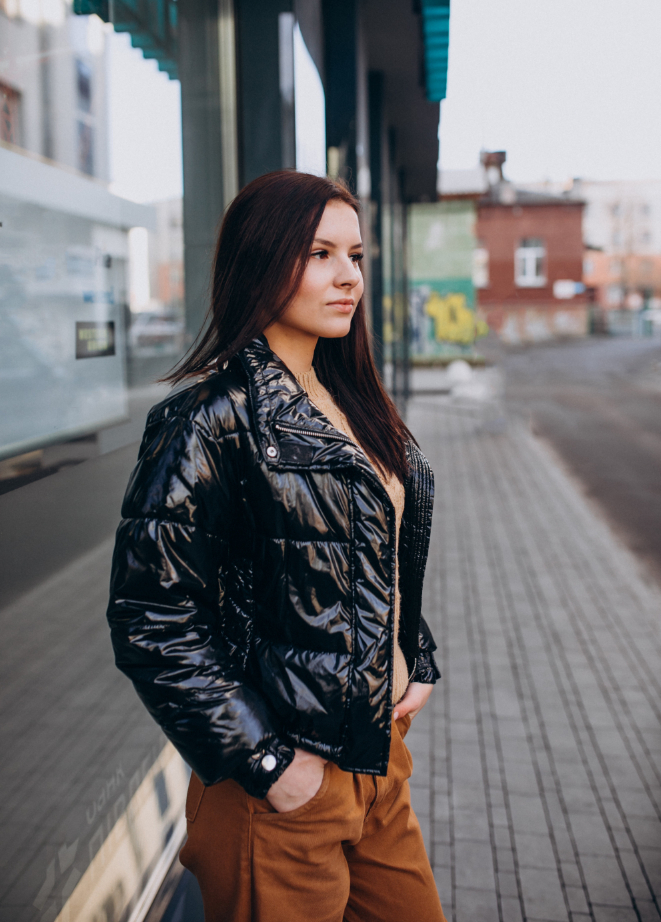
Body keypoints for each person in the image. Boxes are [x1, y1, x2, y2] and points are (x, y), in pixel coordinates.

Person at [108, 171, 445, 922]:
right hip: (283, 784)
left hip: (377, 752)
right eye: (320, 253)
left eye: (355, 255)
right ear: (261, 259)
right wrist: (265, 762)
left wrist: (411, 653)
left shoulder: (347, 393)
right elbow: (149, 617)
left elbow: (368, 553)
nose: (348, 276)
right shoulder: (207, 418)